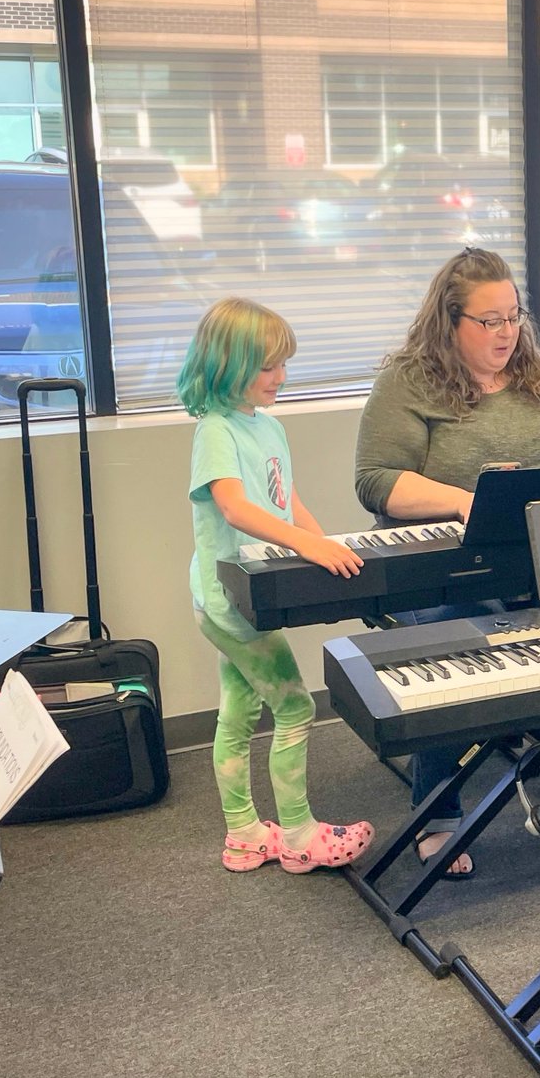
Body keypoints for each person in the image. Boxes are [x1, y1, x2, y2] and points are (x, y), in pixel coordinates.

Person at [355, 248, 540, 878]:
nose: (507, 333)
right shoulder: (408, 379)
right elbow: (376, 481)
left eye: (514, 317)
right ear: (450, 323)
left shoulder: (538, 372)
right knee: (457, 632)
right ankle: (438, 809)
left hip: (529, 552)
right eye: (489, 321)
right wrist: (471, 501)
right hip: (434, 560)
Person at [178, 296, 375, 873]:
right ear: (227, 365)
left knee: (238, 711)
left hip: (250, 594)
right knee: (293, 707)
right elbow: (236, 508)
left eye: (283, 364)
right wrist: (306, 545)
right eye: (267, 367)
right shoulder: (215, 431)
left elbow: (285, 500)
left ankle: (243, 833)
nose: (280, 377)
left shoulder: (266, 427)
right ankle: (299, 835)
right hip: (229, 600)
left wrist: (330, 542)